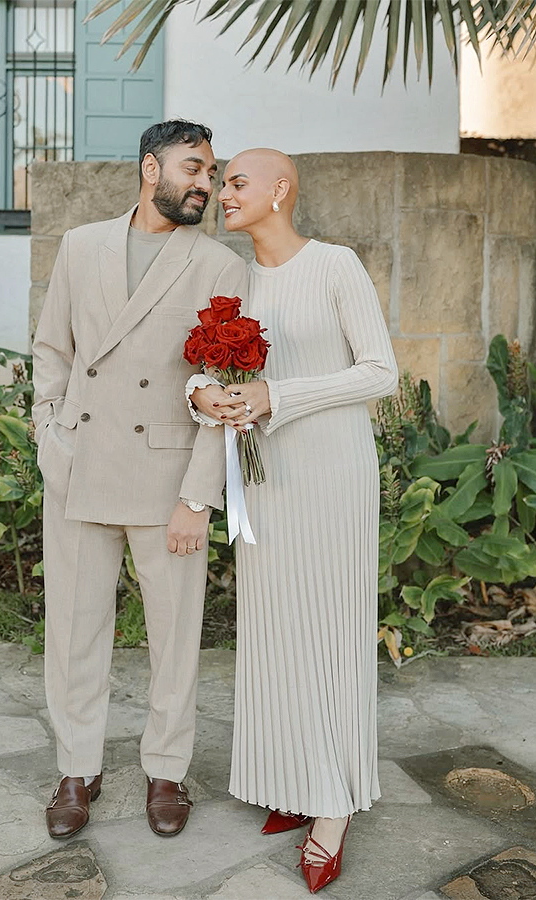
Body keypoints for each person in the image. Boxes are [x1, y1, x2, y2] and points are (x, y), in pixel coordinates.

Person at [189, 149, 398, 893]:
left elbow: (381, 372)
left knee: (329, 629)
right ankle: (293, 783)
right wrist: (199, 394)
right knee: (274, 633)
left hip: (334, 474)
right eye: (220, 186)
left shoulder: (336, 265)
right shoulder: (235, 278)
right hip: (263, 481)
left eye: (235, 183)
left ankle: (334, 804)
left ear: (281, 191)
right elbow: (207, 368)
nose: (222, 195)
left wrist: (282, 395)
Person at [32, 120, 247, 840]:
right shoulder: (81, 244)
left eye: (213, 173)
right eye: (195, 168)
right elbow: (52, 347)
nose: (207, 184)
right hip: (80, 465)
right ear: (150, 169)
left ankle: (165, 769)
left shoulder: (219, 265)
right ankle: (77, 767)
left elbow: (226, 386)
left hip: (167, 479)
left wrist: (197, 495)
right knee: (72, 630)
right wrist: (50, 434)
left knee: (175, 635)